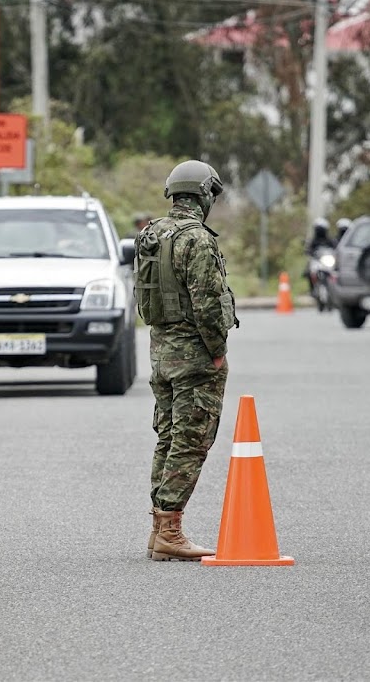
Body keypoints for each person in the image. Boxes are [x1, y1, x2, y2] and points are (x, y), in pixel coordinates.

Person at [134, 160, 237, 561]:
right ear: (205, 195)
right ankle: (170, 530)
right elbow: (208, 305)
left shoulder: (151, 234)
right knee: (191, 441)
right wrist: (217, 352)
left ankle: (161, 528)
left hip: (160, 351)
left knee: (169, 436)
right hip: (193, 354)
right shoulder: (197, 240)